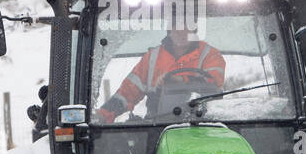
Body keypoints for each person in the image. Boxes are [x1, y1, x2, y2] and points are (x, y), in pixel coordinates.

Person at [96, 27, 225, 123]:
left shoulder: (210, 55)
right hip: (157, 127)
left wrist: (180, 80)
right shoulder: (153, 58)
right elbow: (128, 92)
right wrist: (103, 114)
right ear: (170, 29)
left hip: (202, 125)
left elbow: (213, 84)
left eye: (187, 26)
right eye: (178, 26)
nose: (182, 31)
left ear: (195, 28)